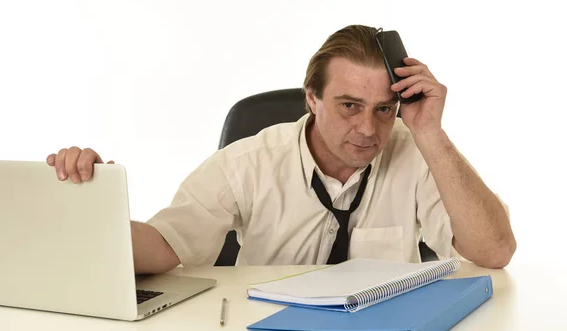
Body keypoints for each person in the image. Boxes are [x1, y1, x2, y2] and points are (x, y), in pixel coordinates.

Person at [46, 25, 516, 273]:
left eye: (383, 109)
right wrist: (91, 207)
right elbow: (168, 245)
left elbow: (494, 252)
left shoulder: (415, 153)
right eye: (349, 105)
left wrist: (430, 133)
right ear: (311, 98)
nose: (368, 128)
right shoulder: (248, 162)